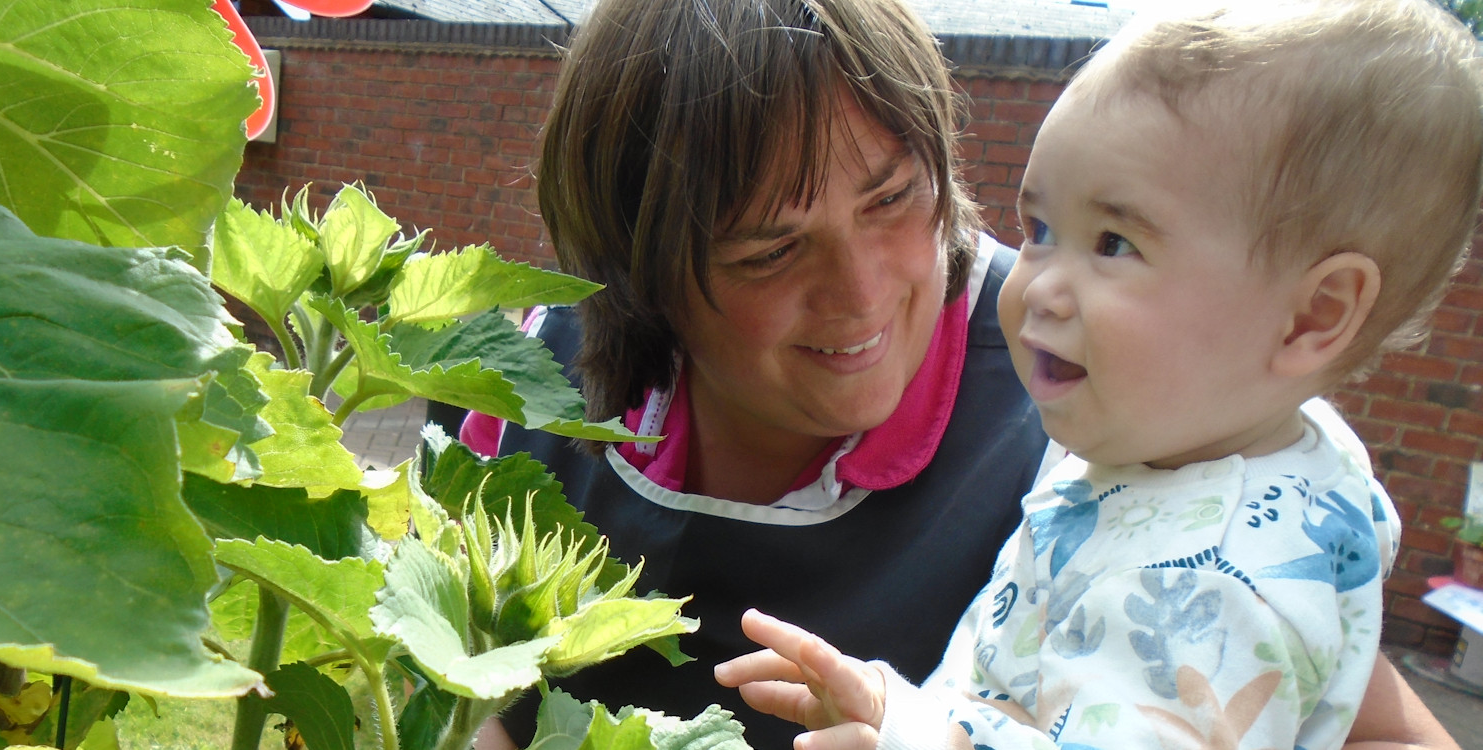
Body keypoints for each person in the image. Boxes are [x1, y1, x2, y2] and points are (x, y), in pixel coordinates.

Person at [456, 1, 1464, 749]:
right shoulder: (530, 390)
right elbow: (460, 701)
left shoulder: (1143, 426)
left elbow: (1356, 714)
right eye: (770, 250)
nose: (861, 290)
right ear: (641, 279)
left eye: (897, 199)